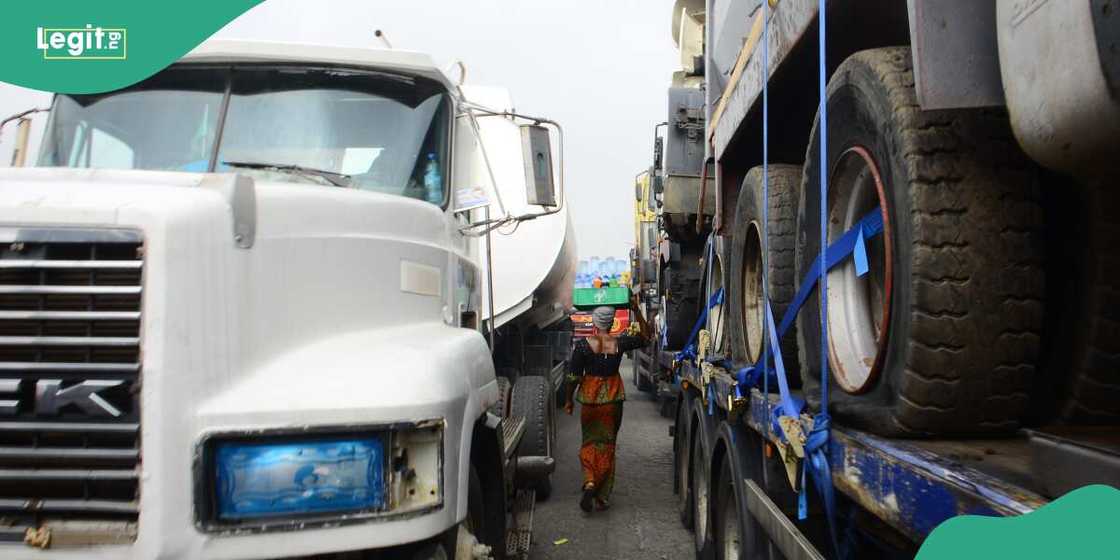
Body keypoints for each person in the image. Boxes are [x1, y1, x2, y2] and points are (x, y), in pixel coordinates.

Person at [564, 296, 651, 513]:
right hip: (612, 402)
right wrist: (636, 309)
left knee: (589, 443)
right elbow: (646, 337)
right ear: (612, 323)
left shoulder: (583, 346)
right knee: (607, 445)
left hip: (590, 402)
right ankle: (601, 497)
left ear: (594, 322)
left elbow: (573, 377)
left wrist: (568, 401)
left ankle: (590, 480)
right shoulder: (619, 343)